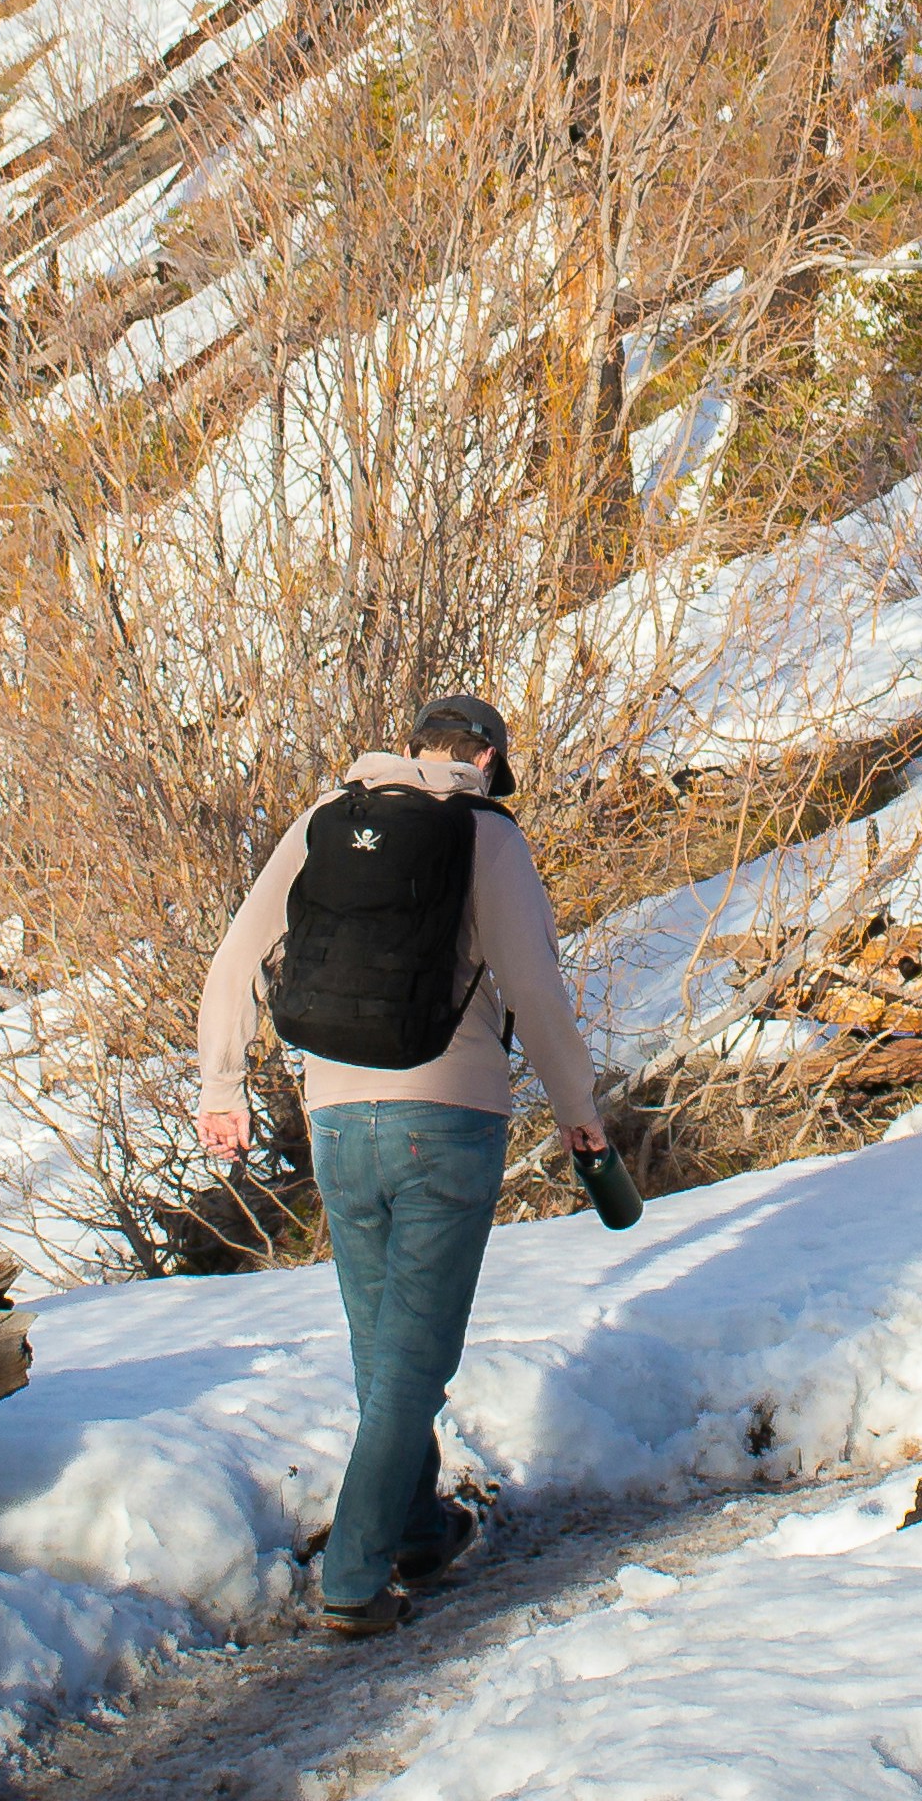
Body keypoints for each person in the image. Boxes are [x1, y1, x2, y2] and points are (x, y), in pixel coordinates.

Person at [195, 690, 608, 1639]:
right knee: (415, 1360)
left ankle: (417, 1526)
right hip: (448, 1115)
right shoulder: (486, 836)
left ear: (408, 748)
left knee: (384, 1348)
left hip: (335, 1117)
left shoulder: (324, 820)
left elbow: (233, 960)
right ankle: (353, 1576)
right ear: (492, 762)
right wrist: (578, 1110)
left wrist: (223, 1084)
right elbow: (534, 989)